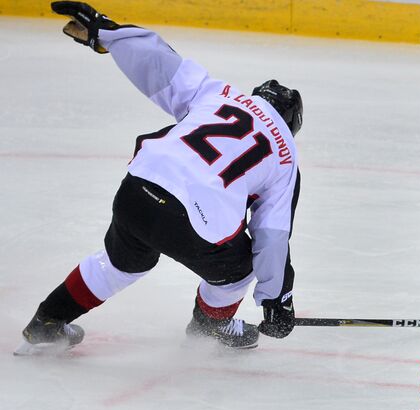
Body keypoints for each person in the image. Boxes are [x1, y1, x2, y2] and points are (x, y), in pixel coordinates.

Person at [16, 2, 302, 355]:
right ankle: (209, 327)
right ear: (291, 126)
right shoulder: (285, 154)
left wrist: (106, 33)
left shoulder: (221, 94)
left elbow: (161, 64)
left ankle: (47, 321)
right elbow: (271, 235)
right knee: (240, 269)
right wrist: (276, 299)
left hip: (138, 188)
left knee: (121, 262)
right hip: (191, 219)